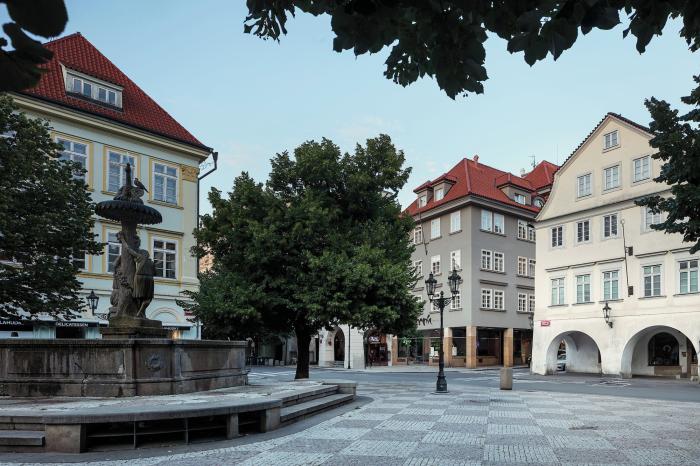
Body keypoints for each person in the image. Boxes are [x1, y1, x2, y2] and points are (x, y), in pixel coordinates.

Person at [121, 235, 155, 317]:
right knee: (148, 299)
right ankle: (141, 312)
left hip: (139, 277)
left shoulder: (139, 257)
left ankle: (139, 313)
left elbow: (128, 249)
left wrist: (122, 239)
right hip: (149, 279)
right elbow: (155, 273)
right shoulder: (151, 262)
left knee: (138, 297)